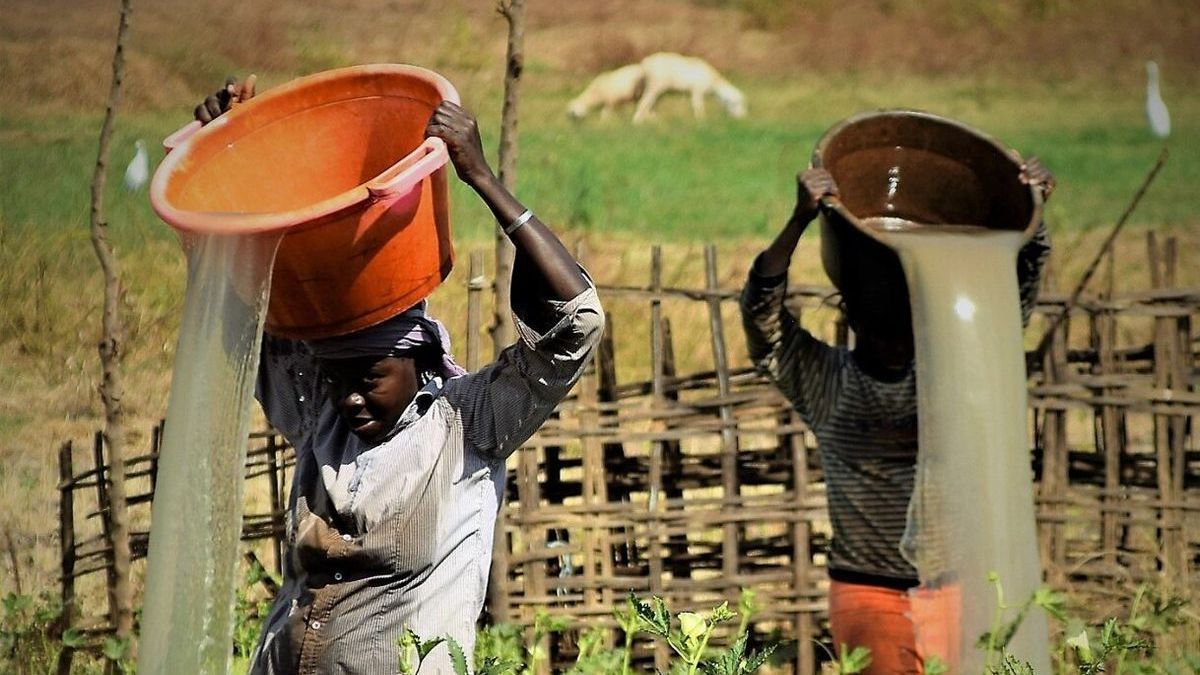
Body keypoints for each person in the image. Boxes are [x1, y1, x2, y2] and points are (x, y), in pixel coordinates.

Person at [194, 76, 605, 673]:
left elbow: (578, 322)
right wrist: (233, 154)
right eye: (335, 378)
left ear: (417, 360)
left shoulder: (467, 426)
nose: (350, 398)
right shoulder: (319, 418)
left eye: (369, 377)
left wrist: (482, 179)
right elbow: (238, 314)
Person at [739, 161, 1054, 673]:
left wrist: (1034, 213)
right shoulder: (828, 382)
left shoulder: (949, 373)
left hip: (956, 588)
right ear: (852, 313)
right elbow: (761, 317)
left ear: (921, 311)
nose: (889, 323)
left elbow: (1009, 300)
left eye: (902, 308)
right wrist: (799, 220)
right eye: (876, 308)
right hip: (868, 593)